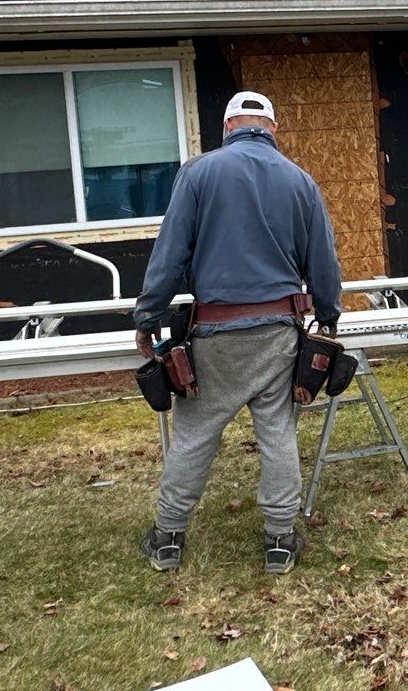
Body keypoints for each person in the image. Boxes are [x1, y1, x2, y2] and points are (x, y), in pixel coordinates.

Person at [132, 90, 343, 576]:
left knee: (194, 435)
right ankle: (280, 540)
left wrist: (148, 319)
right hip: (279, 334)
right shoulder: (301, 181)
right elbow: (324, 264)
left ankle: (167, 537)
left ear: (227, 127)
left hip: (215, 336)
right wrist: (328, 317)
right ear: (274, 131)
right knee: (278, 434)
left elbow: (169, 257)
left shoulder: (198, 172)